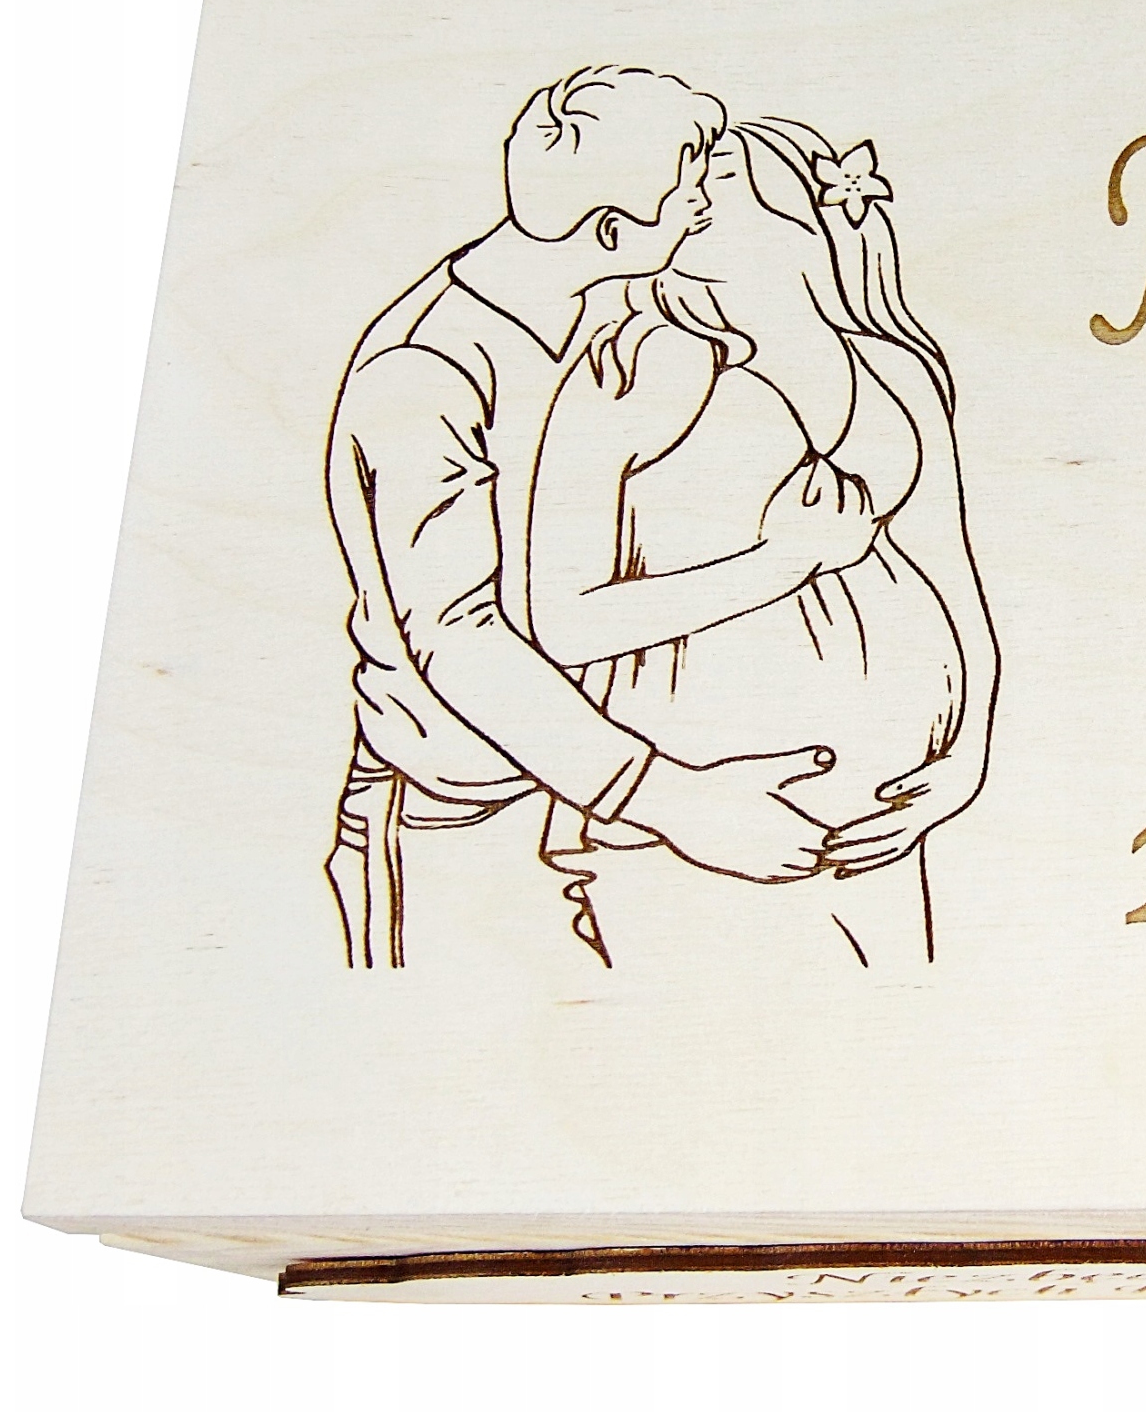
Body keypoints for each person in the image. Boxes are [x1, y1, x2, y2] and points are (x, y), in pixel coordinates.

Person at [321, 68, 842, 969]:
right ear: (610, 229)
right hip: (464, 810)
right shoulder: (423, 374)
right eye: (685, 195)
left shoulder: (609, 299)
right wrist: (676, 801)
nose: (701, 209)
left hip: (607, 791)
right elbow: (456, 636)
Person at [525, 118, 999, 969]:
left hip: (881, 816)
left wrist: (966, 759)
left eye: (720, 171)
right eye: (683, 175)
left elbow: (952, 576)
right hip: (700, 818)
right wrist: (779, 565)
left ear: (800, 204)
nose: (689, 193)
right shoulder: (631, 369)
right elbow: (563, 620)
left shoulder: (893, 371)